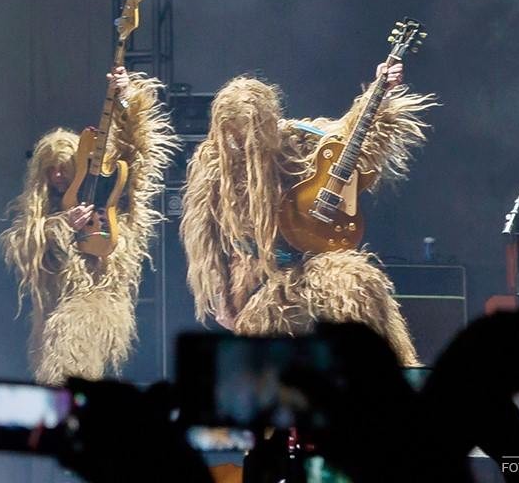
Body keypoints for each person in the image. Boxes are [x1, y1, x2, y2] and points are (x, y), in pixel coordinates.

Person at [180, 64, 437, 365]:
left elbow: (349, 138)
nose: (248, 146)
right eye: (238, 138)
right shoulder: (212, 168)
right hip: (257, 281)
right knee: (266, 342)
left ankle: (381, 373)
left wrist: (378, 94)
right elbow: (206, 245)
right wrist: (222, 300)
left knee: (357, 284)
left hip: (311, 259)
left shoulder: (296, 139)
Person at [0, 67, 177, 384]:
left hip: (99, 299)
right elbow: (22, 247)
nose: (57, 176)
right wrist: (60, 226)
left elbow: (135, 151)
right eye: (50, 170)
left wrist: (126, 99)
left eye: (63, 168)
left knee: (67, 341)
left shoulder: (109, 197)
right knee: (58, 368)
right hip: (53, 309)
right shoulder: (40, 212)